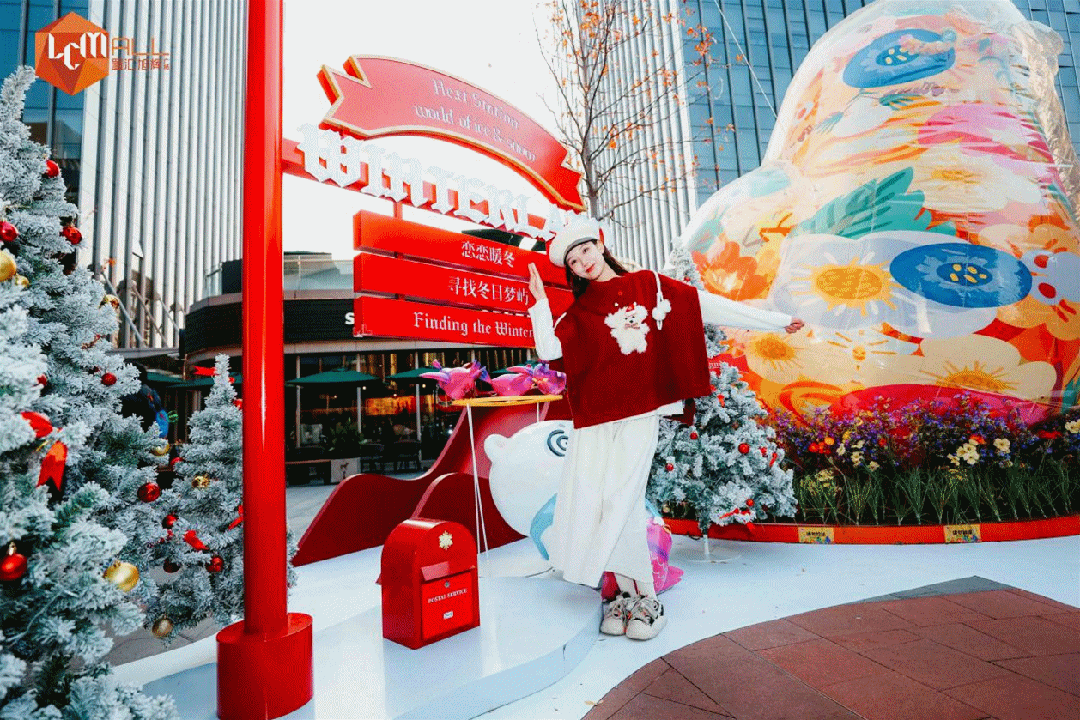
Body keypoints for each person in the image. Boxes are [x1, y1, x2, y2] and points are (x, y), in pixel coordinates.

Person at [526, 222, 803, 641]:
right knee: (601, 505)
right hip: (595, 423)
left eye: (585, 251)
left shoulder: (648, 285)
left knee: (622, 501)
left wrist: (777, 322)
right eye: (573, 261)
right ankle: (626, 596)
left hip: (639, 414)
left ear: (599, 245)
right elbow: (549, 350)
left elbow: (703, 305)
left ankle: (646, 599)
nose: (583, 262)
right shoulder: (579, 313)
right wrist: (540, 303)